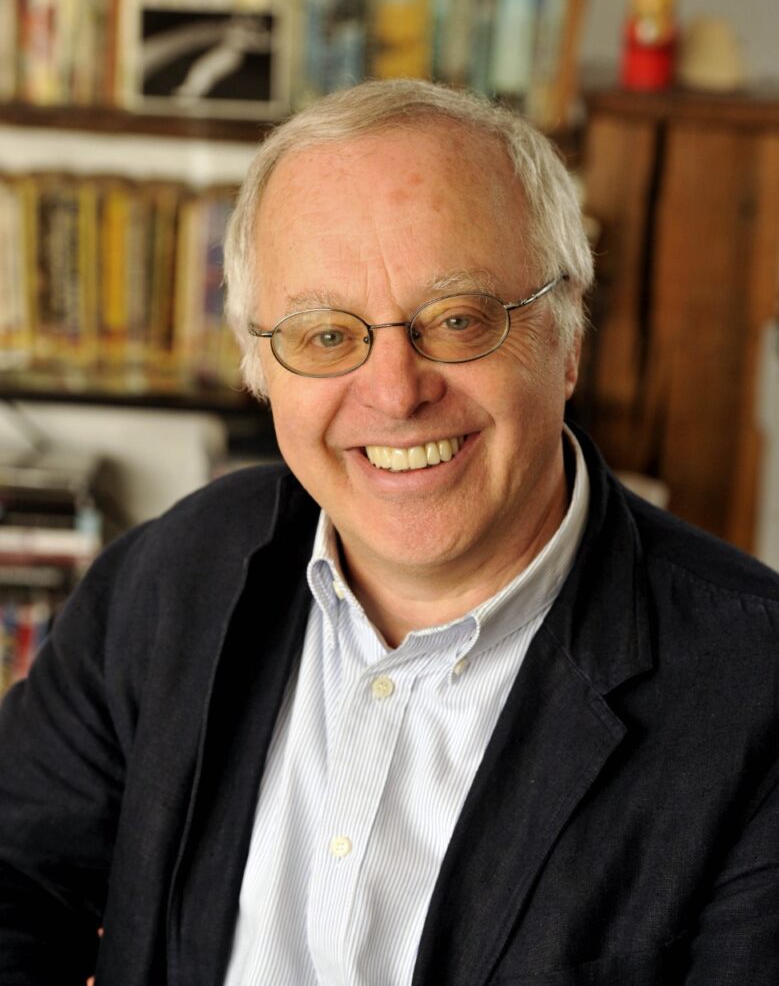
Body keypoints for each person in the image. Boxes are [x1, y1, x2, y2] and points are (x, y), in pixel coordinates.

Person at [1, 79, 778, 986]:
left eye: (457, 320)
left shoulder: (754, 691)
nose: (396, 392)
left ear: (567, 338)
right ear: (260, 369)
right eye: (326, 336)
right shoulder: (171, 574)